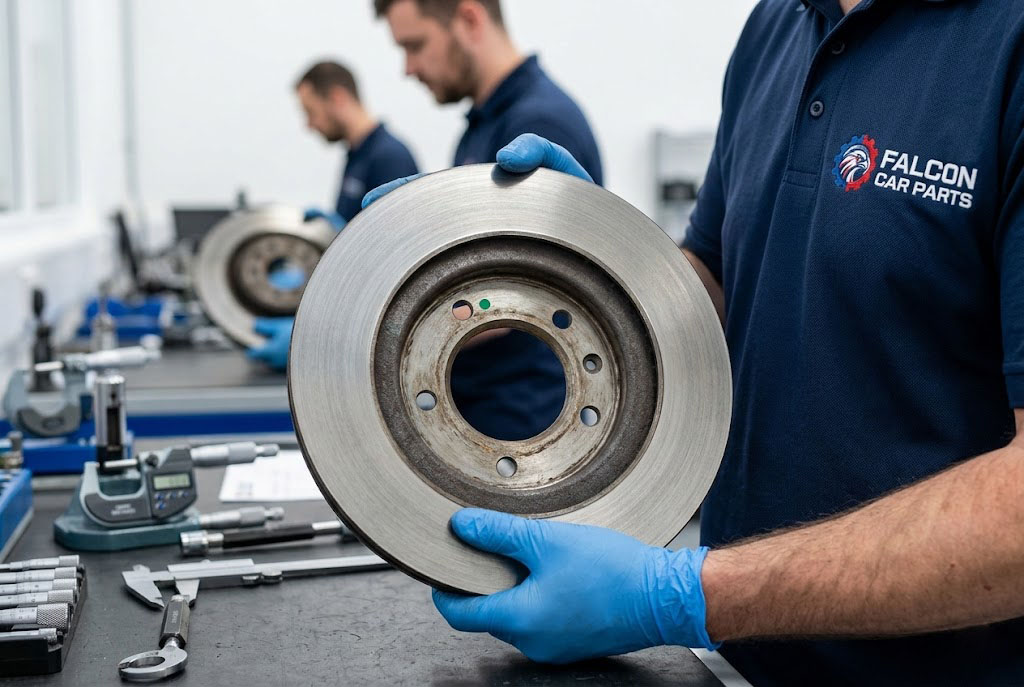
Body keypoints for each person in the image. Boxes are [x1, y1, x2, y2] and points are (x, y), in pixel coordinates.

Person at [363, 0, 1024, 683]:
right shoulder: (777, 25)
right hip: (739, 657)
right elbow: (713, 278)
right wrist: (592, 272)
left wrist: (685, 595)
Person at [375, 0, 603, 440]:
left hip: (521, 420)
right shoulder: (483, 124)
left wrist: (382, 325)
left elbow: (515, 292)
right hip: (479, 402)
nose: (408, 68)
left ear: (469, 18)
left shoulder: (539, 120)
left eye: (415, 45)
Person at [248, 61, 419, 370]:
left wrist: (315, 334)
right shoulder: (356, 156)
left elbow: (394, 271)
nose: (309, 125)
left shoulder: (389, 156)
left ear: (338, 98)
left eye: (310, 112)